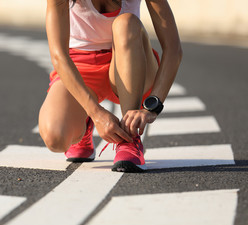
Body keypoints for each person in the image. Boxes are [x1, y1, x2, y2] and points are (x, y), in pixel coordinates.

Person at [39, 0, 182, 172]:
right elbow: (58, 56)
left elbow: (173, 49)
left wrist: (152, 106)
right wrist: (95, 112)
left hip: (129, 62)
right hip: (80, 68)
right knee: (55, 138)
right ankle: (85, 121)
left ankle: (129, 138)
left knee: (126, 23)